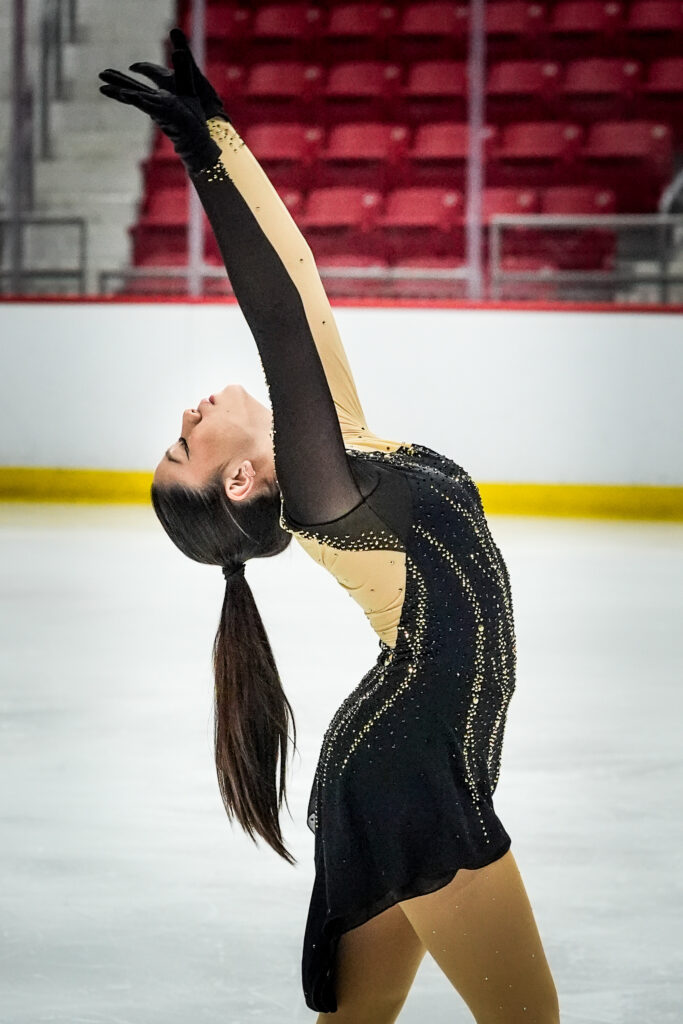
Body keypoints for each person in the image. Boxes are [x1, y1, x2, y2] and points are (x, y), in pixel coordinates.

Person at [99, 30, 560, 1023]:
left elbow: (297, 279)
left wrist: (218, 137)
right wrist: (202, 167)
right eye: (182, 444)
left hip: (407, 759)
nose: (182, 417)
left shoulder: (346, 450)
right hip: (408, 771)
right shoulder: (321, 495)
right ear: (236, 481)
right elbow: (272, 319)